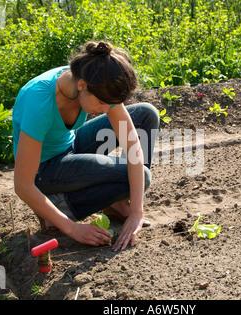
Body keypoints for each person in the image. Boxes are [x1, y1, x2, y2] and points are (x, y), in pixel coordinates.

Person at [13, 41, 160, 251]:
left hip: (71, 145)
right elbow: (22, 185)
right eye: (102, 103)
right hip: (44, 170)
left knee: (146, 115)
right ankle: (60, 206)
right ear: (82, 85)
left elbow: (131, 142)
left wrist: (137, 211)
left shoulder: (95, 79)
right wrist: (73, 229)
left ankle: (120, 201)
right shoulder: (40, 102)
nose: (106, 109)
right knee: (141, 177)